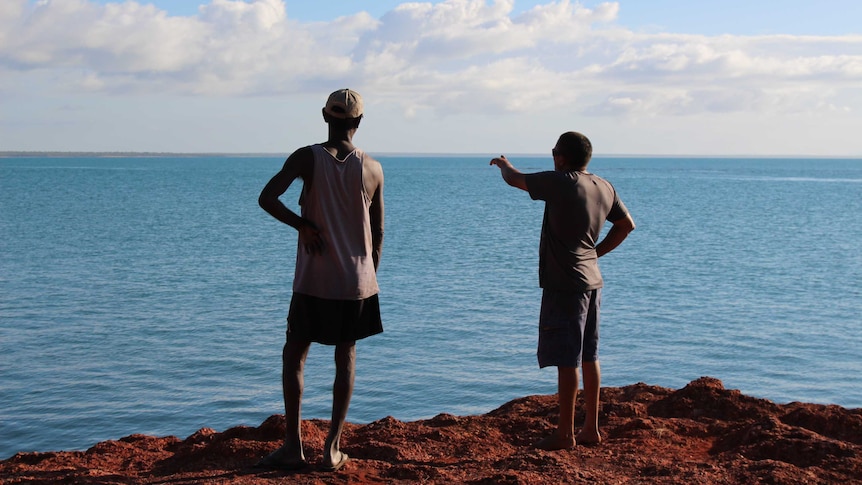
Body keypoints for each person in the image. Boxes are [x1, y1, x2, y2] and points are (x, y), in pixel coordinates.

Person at [256, 89, 384, 471]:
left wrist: (303, 227)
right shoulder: (373, 168)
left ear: (325, 117)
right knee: (345, 356)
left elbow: (268, 198)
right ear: (359, 123)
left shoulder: (307, 157)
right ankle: (332, 449)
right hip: (357, 282)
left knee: (294, 354)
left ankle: (293, 446)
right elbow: (378, 232)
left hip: (313, 279)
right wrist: (368, 272)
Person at [490, 131, 634, 451]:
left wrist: (503, 163)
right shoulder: (604, 186)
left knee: (566, 359)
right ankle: (591, 429)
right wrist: (595, 253)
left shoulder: (563, 181)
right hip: (592, 281)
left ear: (561, 157)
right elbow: (626, 225)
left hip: (565, 285)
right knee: (589, 356)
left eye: (553, 152)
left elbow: (515, 179)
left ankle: (564, 434)